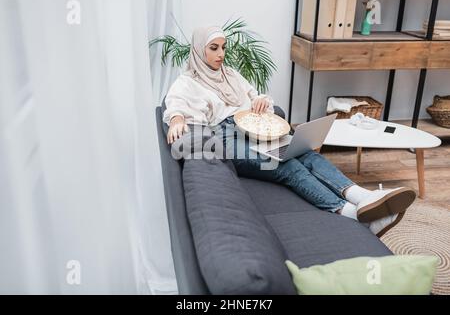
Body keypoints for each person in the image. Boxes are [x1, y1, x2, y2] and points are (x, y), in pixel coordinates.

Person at [162, 26, 416, 237]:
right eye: (213, 48)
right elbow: (175, 104)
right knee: (285, 165)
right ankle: (352, 215)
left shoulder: (230, 74)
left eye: (223, 47)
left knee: (307, 154)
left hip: (255, 126)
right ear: (198, 50)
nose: (221, 54)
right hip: (227, 138)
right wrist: (175, 119)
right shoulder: (188, 82)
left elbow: (255, 95)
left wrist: (260, 101)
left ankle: (363, 197)